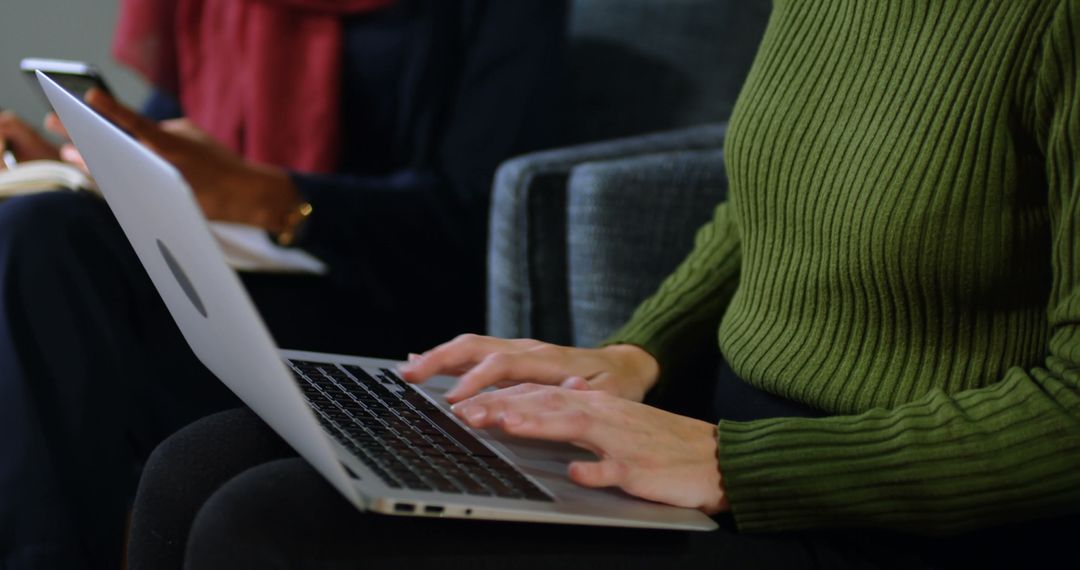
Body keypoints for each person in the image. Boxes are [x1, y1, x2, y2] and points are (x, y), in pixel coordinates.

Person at [127, 0, 1080, 568]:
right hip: (726, 435)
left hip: (887, 509)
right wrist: (634, 353)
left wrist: (734, 467)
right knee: (200, 463)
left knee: (268, 530)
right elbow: (763, 199)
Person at [0, 1, 565, 568]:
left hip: (383, 314)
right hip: (222, 277)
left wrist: (274, 197)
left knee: (43, 245)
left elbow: (479, 221)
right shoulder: (220, 8)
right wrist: (74, 170)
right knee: (42, 226)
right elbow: (170, 152)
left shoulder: (499, 14)